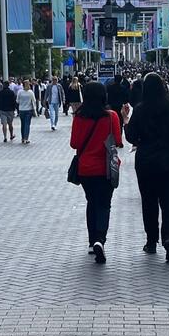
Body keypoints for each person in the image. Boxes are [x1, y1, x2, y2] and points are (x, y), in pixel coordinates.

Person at [125, 72, 169, 262]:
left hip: (146, 161)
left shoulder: (141, 109)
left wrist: (126, 121)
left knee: (149, 202)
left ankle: (151, 240)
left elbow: (132, 137)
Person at [70, 81, 122, 264]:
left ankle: (92, 241)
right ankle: (100, 238)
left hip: (85, 168)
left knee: (91, 202)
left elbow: (74, 143)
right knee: (104, 204)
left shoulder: (79, 116)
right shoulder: (111, 116)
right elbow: (117, 141)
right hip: (106, 168)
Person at [17, 78, 36, 144]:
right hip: (29, 110)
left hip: (21, 109)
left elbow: (17, 101)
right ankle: (26, 138)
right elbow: (34, 101)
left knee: (22, 124)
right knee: (27, 124)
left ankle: (22, 138)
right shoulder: (31, 92)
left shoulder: (20, 92)